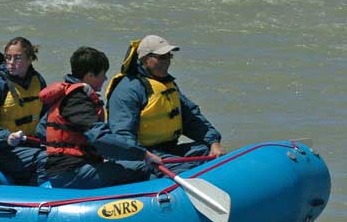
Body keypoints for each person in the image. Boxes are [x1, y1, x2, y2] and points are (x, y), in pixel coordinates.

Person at [40, 47, 161, 189]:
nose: (105, 78)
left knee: (130, 166)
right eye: (103, 74)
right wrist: (143, 154)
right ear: (90, 76)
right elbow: (99, 137)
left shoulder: (66, 93)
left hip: (68, 168)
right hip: (72, 172)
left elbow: (41, 129)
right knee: (145, 170)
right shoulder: (77, 100)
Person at [105, 34, 226, 174]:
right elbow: (122, 136)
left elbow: (192, 118)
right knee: (184, 169)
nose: (167, 61)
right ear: (145, 59)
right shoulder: (128, 90)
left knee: (208, 152)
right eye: (162, 57)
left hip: (166, 150)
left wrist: (213, 142)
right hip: (140, 156)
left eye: (169, 56)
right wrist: (145, 155)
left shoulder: (167, 85)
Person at [0, 37, 48, 185]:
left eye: (18, 58)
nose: (11, 63)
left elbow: (45, 118)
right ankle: (36, 201)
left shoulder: (38, 81)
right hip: (0, 151)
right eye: (8, 58)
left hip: (29, 147)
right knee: (46, 160)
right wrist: (6, 137)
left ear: (30, 59)